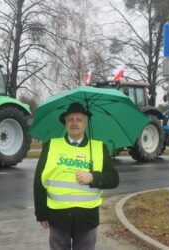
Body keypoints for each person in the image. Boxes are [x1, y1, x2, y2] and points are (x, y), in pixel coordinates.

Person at [33, 102, 119, 250]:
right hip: (58, 217)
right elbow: (38, 182)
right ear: (65, 123)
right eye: (70, 120)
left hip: (87, 219)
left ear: (85, 124)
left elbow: (113, 179)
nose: (74, 123)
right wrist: (41, 214)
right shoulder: (50, 146)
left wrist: (93, 177)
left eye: (79, 120)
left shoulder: (99, 148)